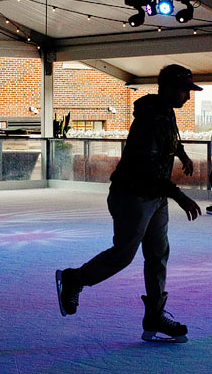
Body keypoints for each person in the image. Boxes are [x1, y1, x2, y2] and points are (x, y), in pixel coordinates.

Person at [55, 64, 202, 343]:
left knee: (158, 256)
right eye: (185, 90)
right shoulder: (149, 120)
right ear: (169, 89)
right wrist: (180, 196)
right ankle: (75, 279)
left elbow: (170, 141)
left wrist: (182, 154)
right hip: (132, 195)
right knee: (123, 255)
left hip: (155, 196)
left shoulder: (166, 113)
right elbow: (148, 169)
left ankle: (155, 315)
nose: (188, 96)